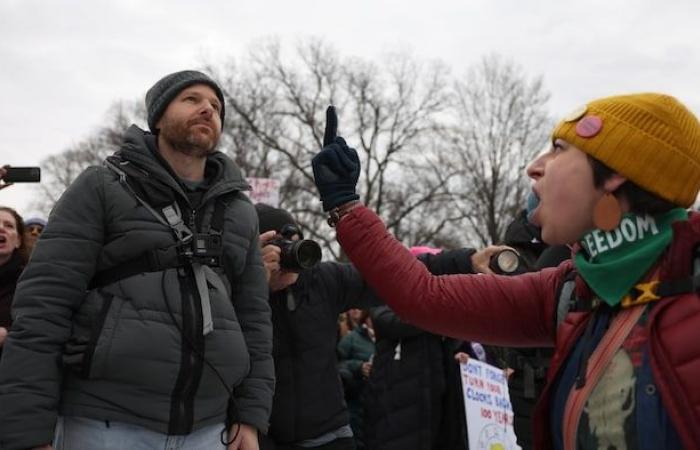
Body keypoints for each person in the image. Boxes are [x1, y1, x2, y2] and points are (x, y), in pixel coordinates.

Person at [312, 95, 700, 449]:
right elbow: (422, 296)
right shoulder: (569, 291)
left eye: (559, 150)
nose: (534, 168)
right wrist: (346, 206)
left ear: (615, 173)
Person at [0, 70, 273, 450]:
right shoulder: (100, 186)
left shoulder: (240, 211)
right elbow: (44, 306)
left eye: (216, 107)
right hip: (104, 424)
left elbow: (255, 319)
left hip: (211, 431)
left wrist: (250, 415)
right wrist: (28, 431)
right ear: (159, 117)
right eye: (192, 99)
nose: (208, 110)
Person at [255, 203, 378, 450]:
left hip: (330, 434)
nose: (290, 253)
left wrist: (464, 263)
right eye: (280, 245)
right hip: (263, 436)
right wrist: (254, 284)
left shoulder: (324, 279)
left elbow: (391, 275)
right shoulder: (235, 291)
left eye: (295, 242)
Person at [337, 310, 375, 450]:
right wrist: (359, 366)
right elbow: (336, 363)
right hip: (357, 399)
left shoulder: (388, 338)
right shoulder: (351, 339)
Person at [0, 206, 25, 354]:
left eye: (9, 225)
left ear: (18, 241)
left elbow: (43, 325)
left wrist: (8, 334)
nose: (1, 228)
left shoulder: (30, 282)